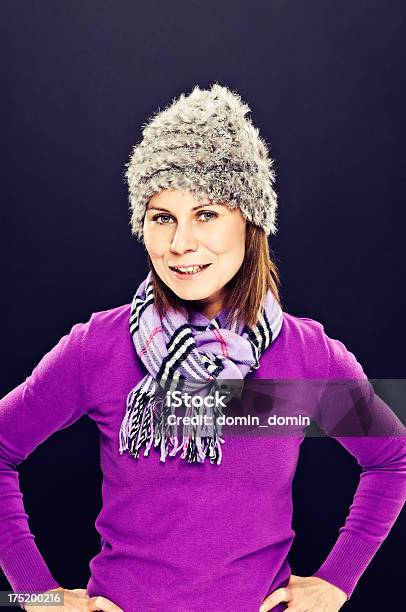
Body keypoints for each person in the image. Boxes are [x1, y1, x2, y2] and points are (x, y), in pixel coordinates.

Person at [0, 83, 405, 612]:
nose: (180, 244)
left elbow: (392, 459)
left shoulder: (307, 357)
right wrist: (38, 597)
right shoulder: (100, 347)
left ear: (252, 220)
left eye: (207, 214)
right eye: (162, 217)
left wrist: (338, 580)